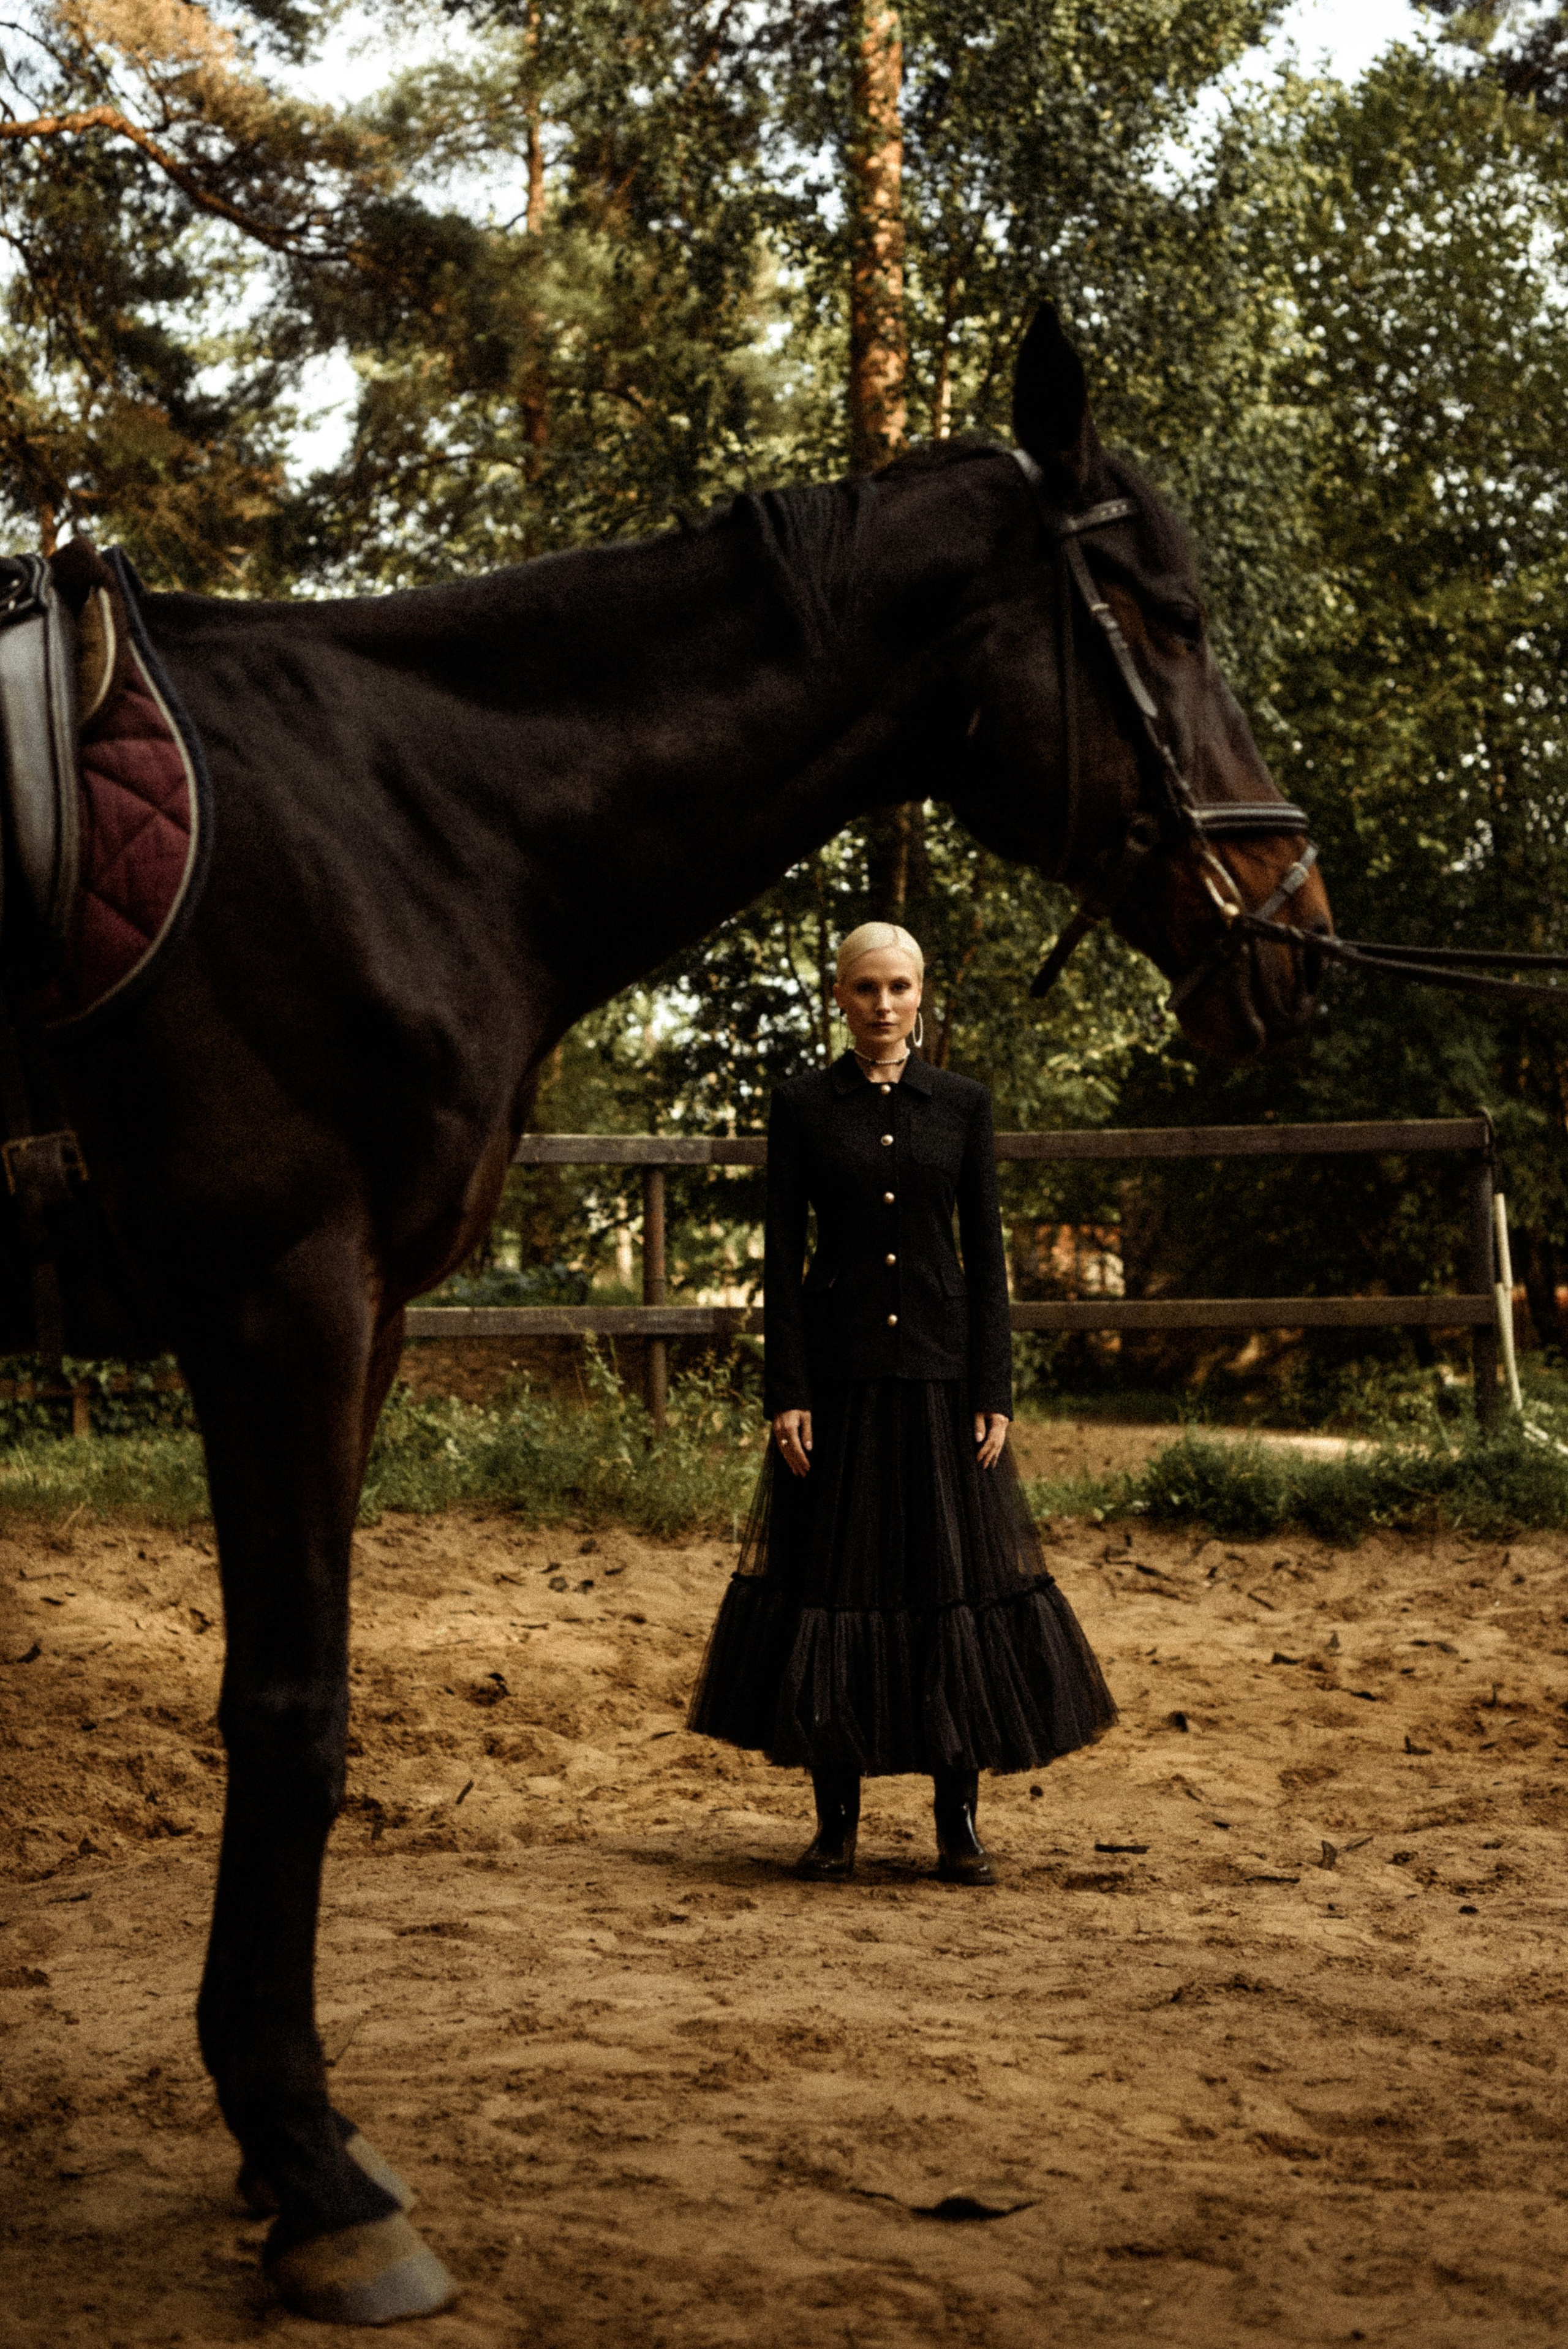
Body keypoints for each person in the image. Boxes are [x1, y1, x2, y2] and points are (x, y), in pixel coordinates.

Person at [687, 921, 1116, 1883]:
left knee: (945, 1594)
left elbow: (988, 1261)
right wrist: (787, 1391)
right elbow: (784, 1264)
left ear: (922, 997)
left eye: (900, 988)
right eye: (865, 989)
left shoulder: (962, 1106)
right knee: (834, 1593)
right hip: (835, 1391)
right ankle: (834, 1824)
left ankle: (957, 1824)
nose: (883, 1006)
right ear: (839, 998)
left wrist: (994, 1389)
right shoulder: (801, 1107)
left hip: (940, 1384)